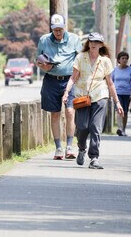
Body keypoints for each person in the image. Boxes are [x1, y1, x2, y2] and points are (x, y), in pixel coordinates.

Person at [62, 32, 124, 169]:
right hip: (82, 96)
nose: (93, 44)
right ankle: (82, 148)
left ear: (101, 44)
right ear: (88, 43)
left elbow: (110, 83)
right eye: (91, 41)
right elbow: (73, 77)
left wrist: (117, 102)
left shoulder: (105, 61)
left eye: (96, 42)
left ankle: (94, 157)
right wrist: (66, 93)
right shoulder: (80, 57)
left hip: (100, 95)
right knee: (82, 127)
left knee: (95, 127)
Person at [36, 14, 82, 160]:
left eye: (60, 29)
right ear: (51, 28)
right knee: (55, 113)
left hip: (70, 79)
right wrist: (45, 66)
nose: (58, 32)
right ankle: (58, 148)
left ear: (64, 27)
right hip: (51, 79)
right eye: (55, 30)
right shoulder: (44, 40)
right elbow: (38, 60)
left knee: (70, 111)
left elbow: (81, 60)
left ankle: (69, 146)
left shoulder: (74, 39)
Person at [111, 51, 131, 136]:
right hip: (117, 93)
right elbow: (110, 81)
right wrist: (110, 92)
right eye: (123, 58)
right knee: (119, 110)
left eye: (126, 58)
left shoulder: (130, 69)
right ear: (119, 60)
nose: (125, 60)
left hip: (127, 93)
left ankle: (123, 129)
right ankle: (119, 128)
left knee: (125, 112)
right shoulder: (115, 70)